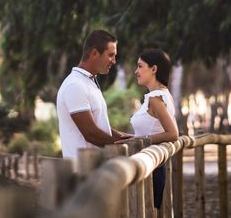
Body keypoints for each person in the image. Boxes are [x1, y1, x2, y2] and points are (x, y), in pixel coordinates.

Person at [56, 29, 133, 159]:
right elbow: (91, 133)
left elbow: (98, 126)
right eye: (110, 55)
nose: (114, 61)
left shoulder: (88, 82)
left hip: (96, 169)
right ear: (94, 53)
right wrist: (126, 148)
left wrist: (124, 138)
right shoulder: (75, 85)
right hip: (82, 173)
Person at [123, 48, 179, 211]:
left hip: (151, 167)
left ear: (154, 69)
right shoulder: (160, 94)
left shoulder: (155, 98)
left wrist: (141, 140)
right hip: (151, 164)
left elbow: (173, 133)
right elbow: (155, 128)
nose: (136, 71)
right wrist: (133, 137)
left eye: (140, 66)